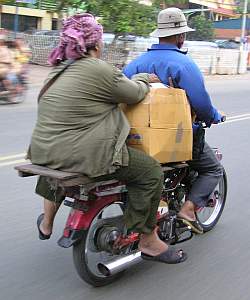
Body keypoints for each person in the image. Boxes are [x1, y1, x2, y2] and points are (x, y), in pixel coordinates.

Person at [28, 13, 187, 264]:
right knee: (150, 172)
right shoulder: (98, 69)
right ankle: (149, 241)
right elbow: (134, 93)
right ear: (97, 43)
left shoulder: (57, 70)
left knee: (56, 164)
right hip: (84, 156)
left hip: (43, 151)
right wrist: (145, 78)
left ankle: (46, 223)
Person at [123, 7, 224, 234]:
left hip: (134, 139)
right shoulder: (184, 65)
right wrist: (214, 116)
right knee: (212, 169)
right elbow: (201, 103)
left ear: (159, 34)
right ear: (181, 37)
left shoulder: (135, 64)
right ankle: (188, 210)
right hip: (174, 140)